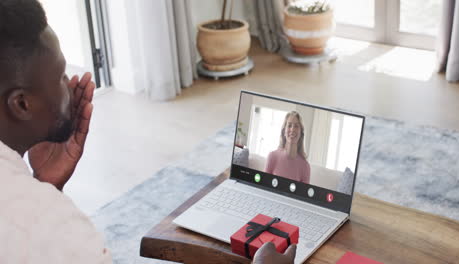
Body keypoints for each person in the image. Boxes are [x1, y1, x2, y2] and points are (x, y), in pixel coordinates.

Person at [0, 0, 296, 263]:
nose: (69, 83)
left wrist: (47, 188)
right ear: (22, 104)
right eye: (60, 74)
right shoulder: (51, 229)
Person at [265, 111, 311, 183]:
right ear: (284, 131)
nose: (292, 129)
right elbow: (263, 187)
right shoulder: (272, 157)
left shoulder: (305, 167)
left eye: (296, 126)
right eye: (289, 125)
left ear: (301, 133)